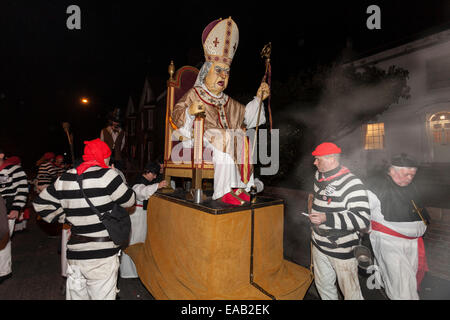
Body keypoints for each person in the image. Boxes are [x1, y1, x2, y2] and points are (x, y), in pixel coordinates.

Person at [171, 17, 270, 205]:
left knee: (241, 137)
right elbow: (176, 114)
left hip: (219, 138)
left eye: (227, 72)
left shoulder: (226, 100)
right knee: (223, 139)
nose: (223, 76)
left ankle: (242, 187)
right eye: (218, 70)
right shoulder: (195, 93)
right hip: (196, 139)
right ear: (205, 72)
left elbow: (248, 119)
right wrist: (190, 111)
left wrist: (258, 98)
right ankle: (222, 191)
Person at [33, 139, 135, 300]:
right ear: (105, 157)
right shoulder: (107, 175)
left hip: (75, 255)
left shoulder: (65, 178)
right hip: (102, 254)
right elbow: (130, 200)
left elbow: (40, 204)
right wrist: (116, 175)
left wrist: (66, 218)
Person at [309, 142, 370, 300]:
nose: (314, 162)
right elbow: (317, 200)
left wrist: (325, 218)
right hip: (318, 243)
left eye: (318, 159)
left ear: (331, 159)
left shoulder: (352, 183)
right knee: (324, 286)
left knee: (351, 293)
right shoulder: (319, 177)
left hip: (342, 249)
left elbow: (362, 220)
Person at [367, 153, 429, 300]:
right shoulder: (376, 187)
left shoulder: (411, 186)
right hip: (390, 243)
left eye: (412, 175)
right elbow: (361, 212)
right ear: (392, 171)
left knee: (409, 280)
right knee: (401, 284)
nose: (409, 178)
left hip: (412, 243)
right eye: (406, 174)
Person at [120, 162, 168, 278]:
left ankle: (135, 271)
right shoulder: (139, 181)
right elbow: (141, 193)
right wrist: (158, 186)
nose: (155, 177)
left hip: (140, 215)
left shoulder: (144, 181)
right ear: (149, 172)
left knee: (138, 241)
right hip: (136, 215)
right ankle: (129, 272)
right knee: (134, 241)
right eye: (154, 174)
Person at [0, 148, 29, 283]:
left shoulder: (15, 170)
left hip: (6, 210)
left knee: (2, 240)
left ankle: (3, 271)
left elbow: (22, 189)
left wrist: (17, 208)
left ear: (1, 155)